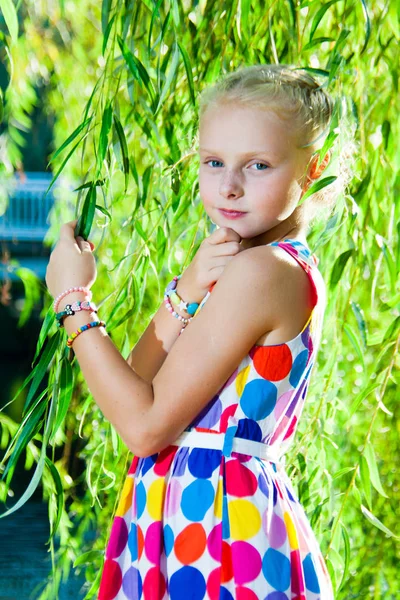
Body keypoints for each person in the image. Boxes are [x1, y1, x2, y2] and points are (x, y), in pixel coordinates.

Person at [46, 64, 354, 599]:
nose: (229, 186)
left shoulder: (264, 272)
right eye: (213, 162)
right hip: (194, 522)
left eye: (258, 164)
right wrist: (186, 288)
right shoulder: (256, 265)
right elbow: (135, 384)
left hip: (218, 535)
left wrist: (72, 301)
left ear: (314, 168)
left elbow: (142, 428)